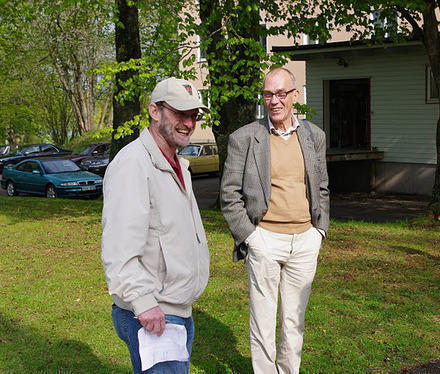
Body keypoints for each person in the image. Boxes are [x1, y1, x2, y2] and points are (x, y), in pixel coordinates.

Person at [220, 67, 330, 374]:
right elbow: (229, 194)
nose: (275, 101)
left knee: (294, 320)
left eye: (281, 93)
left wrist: (319, 231)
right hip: (265, 239)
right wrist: (251, 238)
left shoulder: (314, 136)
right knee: (263, 321)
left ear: (295, 95)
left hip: (305, 241)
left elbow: (321, 186)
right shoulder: (245, 138)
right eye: (268, 94)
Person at [101, 77, 210, 374]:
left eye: (193, 115)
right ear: (154, 111)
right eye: (179, 113)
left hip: (175, 309)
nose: (188, 122)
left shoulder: (176, 164)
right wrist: (143, 302)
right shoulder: (133, 165)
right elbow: (118, 249)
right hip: (152, 312)